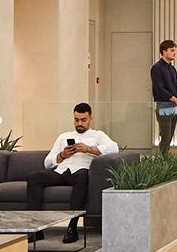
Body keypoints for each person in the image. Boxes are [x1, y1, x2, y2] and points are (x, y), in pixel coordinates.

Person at [27, 102, 119, 244]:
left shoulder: (97, 135)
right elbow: (47, 162)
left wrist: (88, 149)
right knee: (35, 177)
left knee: (82, 177)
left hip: (81, 172)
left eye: (83, 120)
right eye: (76, 120)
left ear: (90, 119)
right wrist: (62, 155)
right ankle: (35, 230)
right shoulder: (64, 136)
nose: (79, 123)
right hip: (62, 171)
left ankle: (72, 227)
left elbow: (114, 148)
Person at [152, 40, 177, 153]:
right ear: (164, 51)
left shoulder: (172, 69)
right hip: (164, 105)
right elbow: (159, 89)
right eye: (172, 50)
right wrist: (175, 99)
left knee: (170, 133)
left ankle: (165, 156)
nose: (174, 53)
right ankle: (162, 158)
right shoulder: (157, 68)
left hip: (174, 105)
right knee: (165, 134)